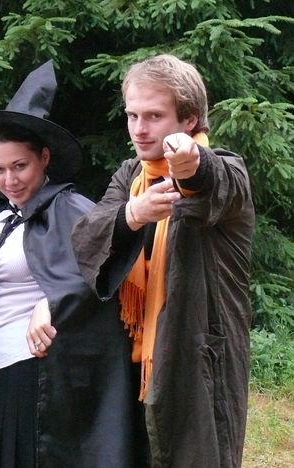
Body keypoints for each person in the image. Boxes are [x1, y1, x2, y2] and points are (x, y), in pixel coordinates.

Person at [0, 61, 136, 468]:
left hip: (39, 373)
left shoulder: (71, 209)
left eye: (20, 166)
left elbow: (102, 267)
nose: (9, 180)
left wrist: (51, 302)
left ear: (44, 158)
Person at [71, 54, 255, 467]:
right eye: (132, 115)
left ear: (189, 120)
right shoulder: (131, 176)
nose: (139, 129)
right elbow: (87, 235)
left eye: (154, 116)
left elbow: (213, 185)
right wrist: (133, 213)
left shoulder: (228, 169)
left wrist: (190, 164)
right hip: (131, 366)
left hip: (199, 362)